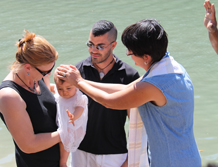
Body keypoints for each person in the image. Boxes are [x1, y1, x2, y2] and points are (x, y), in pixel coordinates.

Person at [57, 19, 202, 167]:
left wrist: (79, 83)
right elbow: (124, 89)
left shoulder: (153, 84)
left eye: (131, 52)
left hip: (172, 161)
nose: (128, 55)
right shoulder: (171, 68)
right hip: (186, 155)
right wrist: (79, 80)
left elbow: (109, 101)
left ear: (146, 57)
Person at [68, 20, 143, 167]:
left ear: (113, 45)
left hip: (114, 155)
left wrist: (130, 160)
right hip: (79, 151)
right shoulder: (77, 71)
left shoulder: (129, 76)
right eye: (90, 44)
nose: (93, 50)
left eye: (100, 46)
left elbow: (135, 122)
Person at [0, 30, 67, 167]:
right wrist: (66, 132)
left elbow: (46, 94)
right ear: (28, 67)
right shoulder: (9, 97)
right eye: (46, 72)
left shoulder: (37, 75)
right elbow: (29, 145)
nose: (49, 74)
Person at [47, 70, 88, 167]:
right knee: (63, 138)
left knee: (65, 141)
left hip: (75, 127)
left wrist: (73, 116)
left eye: (68, 88)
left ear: (76, 86)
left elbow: (80, 108)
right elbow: (48, 87)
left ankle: (63, 163)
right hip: (65, 124)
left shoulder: (78, 97)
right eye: (60, 89)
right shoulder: (60, 90)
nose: (64, 91)